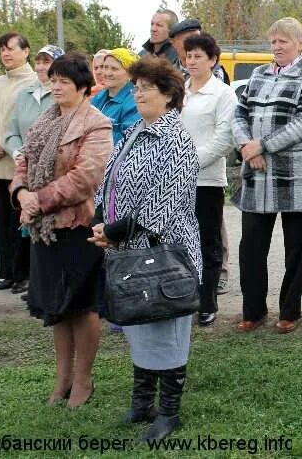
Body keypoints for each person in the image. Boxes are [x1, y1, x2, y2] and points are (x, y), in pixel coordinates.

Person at [90, 56, 200, 442]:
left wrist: (115, 231)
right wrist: (99, 220)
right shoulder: (135, 129)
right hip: (126, 247)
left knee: (165, 327)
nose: (136, 93)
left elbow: (164, 205)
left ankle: (169, 413)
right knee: (139, 324)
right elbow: (110, 179)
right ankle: (142, 404)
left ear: (168, 95)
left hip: (165, 254)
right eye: (135, 87)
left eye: (144, 87)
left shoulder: (178, 140)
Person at [10, 53, 113, 407]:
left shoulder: (97, 124)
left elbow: (84, 179)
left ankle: (83, 380)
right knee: (56, 307)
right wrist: (22, 193)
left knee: (81, 306)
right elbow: (22, 159)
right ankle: (62, 378)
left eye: (63, 81)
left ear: (83, 87)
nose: (55, 86)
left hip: (77, 228)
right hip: (44, 229)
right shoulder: (44, 121)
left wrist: (36, 200)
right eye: (52, 80)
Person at [232, 17, 302, 335]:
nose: (277, 47)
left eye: (283, 41)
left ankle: (290, 312)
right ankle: (253, 311)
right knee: (251, 248)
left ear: (300, 44)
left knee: (296, 249)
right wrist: (247, 147)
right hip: (256, 174)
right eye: (273, 41)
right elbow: (238, 113)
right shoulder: (258, 75)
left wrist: (263, 146)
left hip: (295, 175)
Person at [0, 32, 38, 293]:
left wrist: (10, 147)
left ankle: (25, 274)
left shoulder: (35, 83)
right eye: (2, 49)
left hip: (19, 164)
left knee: (21, 220)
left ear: (26, 51)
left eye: (11, 48)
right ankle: (8, 273)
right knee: (3, 219)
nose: (6, 53)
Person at [180, 33, 235, 327]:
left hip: (207, 181)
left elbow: (224, 139)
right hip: (175, 181)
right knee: (178, 241)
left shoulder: (223, 93)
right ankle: (181, 297)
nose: (191, 61)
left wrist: (187, 162)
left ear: (213, 60)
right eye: (188, 56)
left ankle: (206, 301)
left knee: (207, 242)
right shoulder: (179, 91)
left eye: (198, 56)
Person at [4, 44, 65, 297]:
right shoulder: (24, 94)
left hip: (52, 171)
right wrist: (18, 152)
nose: (41, 67)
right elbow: (12, 131)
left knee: (49, 224)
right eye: (38, 62)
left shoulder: (61, 94)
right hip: (25, 167)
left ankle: (48, 282)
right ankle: (34, 281)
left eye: (47, 62)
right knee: (29, 224)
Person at [90, 48, 142, 144]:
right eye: (105, 67)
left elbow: (127, 139)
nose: (107, 73)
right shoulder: (98, 97)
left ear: (130, 74)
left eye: (114, 69)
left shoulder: (136, 101)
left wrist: (92, 136)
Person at [169, 19, 230, 83]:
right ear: (173, 43)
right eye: (188, 40)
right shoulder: (168, 72)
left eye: (198, 39)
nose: (194, 44)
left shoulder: (213, 71)